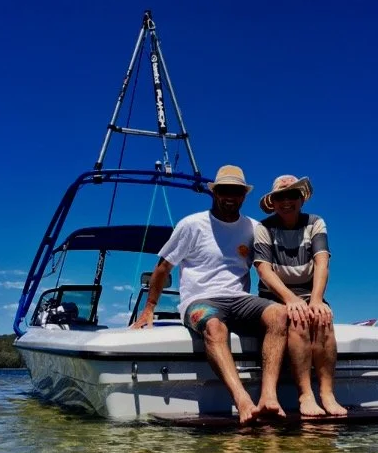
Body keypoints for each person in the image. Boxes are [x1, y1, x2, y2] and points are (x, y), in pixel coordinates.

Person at [130, 165, 289, 424]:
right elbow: (163, 267)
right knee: (215, 327)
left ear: (244, 196)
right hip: (200, 300)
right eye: (224, 190)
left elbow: (268, 267)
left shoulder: (253, 227)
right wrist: (149, 308)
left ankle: (269, 396)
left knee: (279, 314)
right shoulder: (191, 225)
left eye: (236, 191)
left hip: (240, 299)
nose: (230, 196)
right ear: (214, 193)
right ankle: (242, 401)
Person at [253, 175, 348, 417]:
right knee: (297, 321)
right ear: (272, 202)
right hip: (275, 295)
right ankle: (305, 394)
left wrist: (316, 300)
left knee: (323, 319)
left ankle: (327, 393)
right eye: (280, 196)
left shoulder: (315, 223)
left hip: (309, 291)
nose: (286, 201)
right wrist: (290, 299)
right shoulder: (263, 228)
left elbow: (322, 262)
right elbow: (263, 269)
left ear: (301, 199)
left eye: (292, 195)